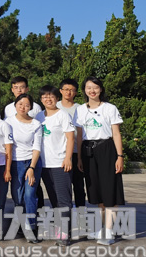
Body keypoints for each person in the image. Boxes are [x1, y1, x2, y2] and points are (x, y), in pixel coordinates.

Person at [74, 77, 125, 246]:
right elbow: (79, 136)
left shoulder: (110, 108)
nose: (92, 90)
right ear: (84, 90)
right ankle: (105, 227)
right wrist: (79, 157)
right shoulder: (80, 110)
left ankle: (109, 231)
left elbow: (116, 133)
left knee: (110, 191)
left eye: (95, 87)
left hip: (107, 150)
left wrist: (120, 156)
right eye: (89, 87)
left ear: (101, 89)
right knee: (97, 192)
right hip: (88, 152)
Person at [37, 85, 74, 247]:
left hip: (60, 163)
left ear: (57, 98)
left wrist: (68, 158)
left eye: (51, 96)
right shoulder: (39, 116)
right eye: (44, 96)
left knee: (63, 199)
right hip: (44, 165)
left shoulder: (63, 115)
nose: (48, 99)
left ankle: (65, 235)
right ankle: (60, 230)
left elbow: (70, 138)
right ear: (41, 99)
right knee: (53, 199)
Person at [5, 94, 42, 243]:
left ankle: (30, 227)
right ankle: (21, 224)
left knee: (29, 194)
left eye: (27, 105)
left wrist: (32, 167)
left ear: (31, 107)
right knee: (18, 197)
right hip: (15, 163)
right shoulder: (8, 122)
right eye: (20, 104)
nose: (23, 107)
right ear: (15, 105)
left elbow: (37, 147)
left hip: (32, 163)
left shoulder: (36, 124)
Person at [56, 78, 86, 209]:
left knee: (78, 185)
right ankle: (63, 212)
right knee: (62, 186)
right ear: (60, 91)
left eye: (72, 90)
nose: (68, 92)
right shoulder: (55, 107)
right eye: (66, 89)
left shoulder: (80, 109)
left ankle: (81, 213)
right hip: (58, 154)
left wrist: (80, 156)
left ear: (76, 92)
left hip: (75, 151)